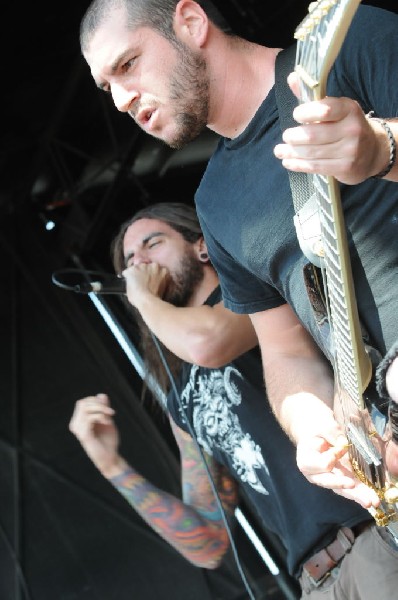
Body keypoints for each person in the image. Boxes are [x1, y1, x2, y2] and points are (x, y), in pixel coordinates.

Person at [79, 0, 398, 507]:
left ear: (190, 22)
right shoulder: (215, 203)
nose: (119, 99)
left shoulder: (344, 47)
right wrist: (313, 427)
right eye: (107, 86)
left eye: (127, 64)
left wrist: (386, 149)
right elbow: (286, 352)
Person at [70, 202, 394, 598]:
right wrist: (110, 463)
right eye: (130, 260)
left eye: (152, 244)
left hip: (374, 531)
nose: (139, 265)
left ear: (202, 247)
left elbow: (207, 341)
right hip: (318, 581)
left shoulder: (248, 301)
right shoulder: (180, 399)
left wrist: (142, 298)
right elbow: (207, 542)